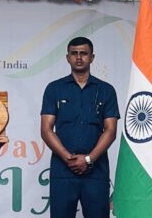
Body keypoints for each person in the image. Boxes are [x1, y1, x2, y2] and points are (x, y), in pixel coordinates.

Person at [40, 37, 119, 218]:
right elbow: (46, 130)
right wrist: (69, 159)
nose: (78, 57)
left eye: (83, 53)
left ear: (92, 57)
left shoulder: (106, 90)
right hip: (63, 171)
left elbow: (111, 130)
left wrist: (89, 159)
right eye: (74, 53)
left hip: (96, 171)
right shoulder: (54, 89)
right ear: (67, 57)